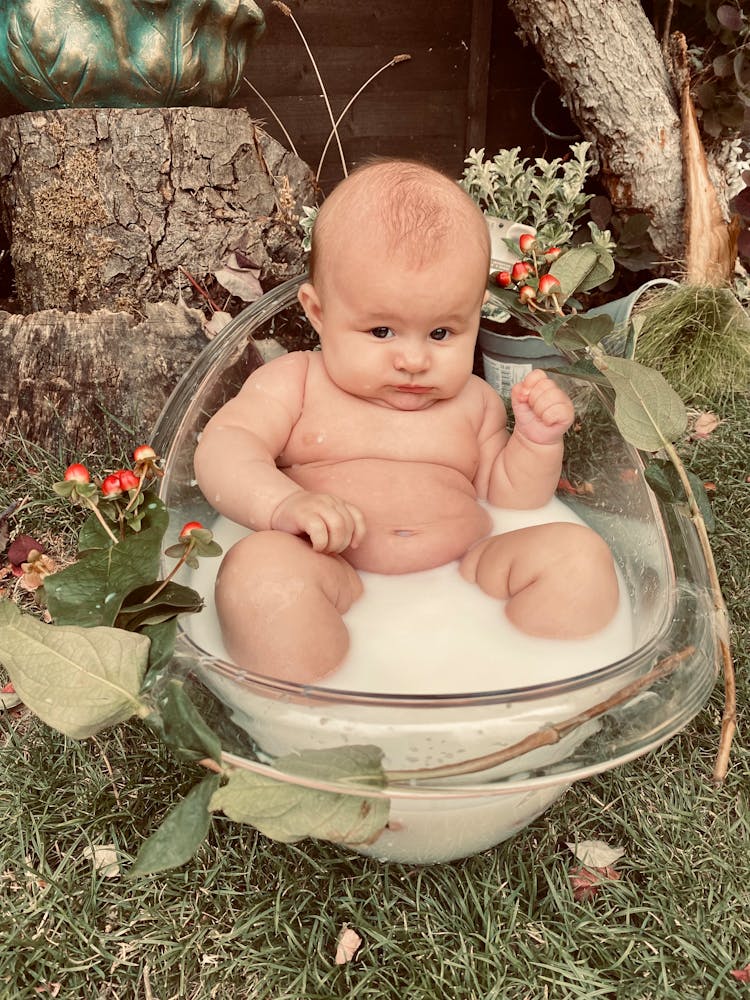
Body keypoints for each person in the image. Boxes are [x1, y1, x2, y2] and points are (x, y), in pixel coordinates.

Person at [194, 159, 620, 683]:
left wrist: (535, 442)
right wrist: (283, 504)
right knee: (259, 575)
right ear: (318, 312)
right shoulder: (296, 383)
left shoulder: (475, 402)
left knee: (579, 558)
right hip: (333, 573)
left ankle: (537, 689)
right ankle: (311, 714)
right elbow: (224, 449)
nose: (414, 360)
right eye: (381, 331)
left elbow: (510, 497)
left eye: (442, 333)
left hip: (470, 572)